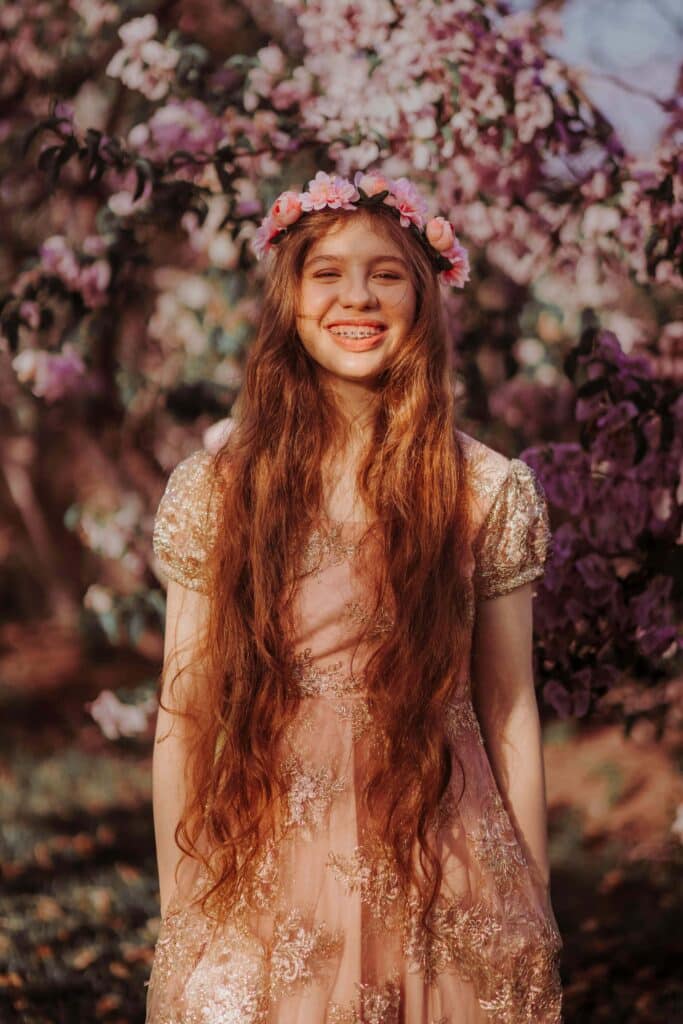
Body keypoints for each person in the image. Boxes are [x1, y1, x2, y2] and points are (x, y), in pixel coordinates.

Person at [145, 170, 563, 1023]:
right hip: (267, 853)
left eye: (386, 272)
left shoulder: (483, 488)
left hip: (443, 852)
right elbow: (183, 713)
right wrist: (181, 904)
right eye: (326, 272)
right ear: (289, 299)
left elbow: (509, 704)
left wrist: (532, 892)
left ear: (423, 294)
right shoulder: (221, 490)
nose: (357, 297)